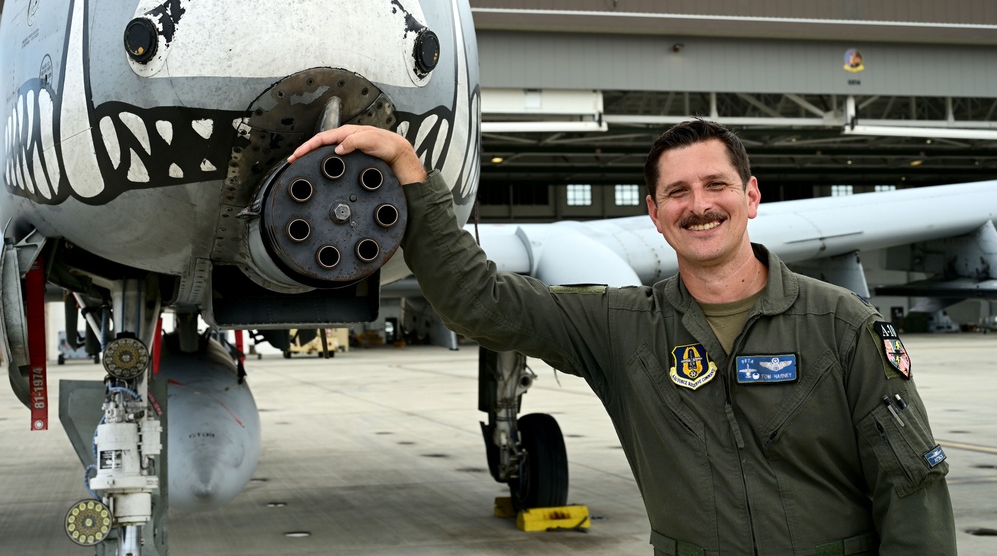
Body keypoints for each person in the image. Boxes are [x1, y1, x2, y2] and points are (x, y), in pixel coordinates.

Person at [290, 119, 956, 556]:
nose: (699, 204)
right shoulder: (622, 326)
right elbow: (479, 299)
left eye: (716, 184)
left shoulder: (842, 326)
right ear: (655, 213)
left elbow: (910, 493)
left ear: (750, 196)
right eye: (678, 192)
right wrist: (410, 173)